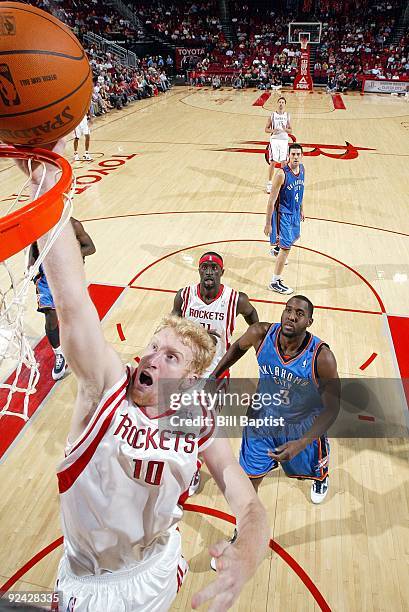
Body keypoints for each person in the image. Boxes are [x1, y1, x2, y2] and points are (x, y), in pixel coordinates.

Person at [18, 140, 269, 612]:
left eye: (170, 356)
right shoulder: (106, 387)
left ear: (190, 380)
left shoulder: (197, 419)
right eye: (153, 346)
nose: (152, 358)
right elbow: (73, 306)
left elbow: (248, 504)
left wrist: (250, 549)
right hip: (88, 582)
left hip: (156, 571)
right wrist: (44, 184)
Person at [210, 295, 340, 504]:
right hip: (262, 420)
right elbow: (237, 348)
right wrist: (214, 375)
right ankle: (245, 527)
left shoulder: (321, 357)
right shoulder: (260, 333)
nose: (291, 317)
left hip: (300, 424)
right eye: (288, 310)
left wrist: (300, 444)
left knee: (311, 469)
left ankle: (320, 477)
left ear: (309, 322)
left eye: (299, 314)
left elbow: (332, 408)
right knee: (249, 479)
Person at [172, 251, 259, 493]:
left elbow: (253, 317)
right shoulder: (184, 295)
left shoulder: (236, 299)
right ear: (199, 271)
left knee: (202, 426)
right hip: (186, 372)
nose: (209, 271)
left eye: (214, 267)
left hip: (216, 375)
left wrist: (255, 342)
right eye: (205, 267)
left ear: (222, 272)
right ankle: (190, 465)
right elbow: (172, 325)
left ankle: (193, 469)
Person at [29, 218, 96, 380]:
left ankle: (83, 347)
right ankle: (59, 354)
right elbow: (33, 248)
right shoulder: (39, 224)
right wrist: (30, 268)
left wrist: (69, 252)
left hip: (68, 274)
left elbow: (91, 248)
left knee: (74, 314)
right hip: (45, 276)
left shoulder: (73, 225)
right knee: (50, 316)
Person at [264, 143, 305, 295]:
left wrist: (301, 208)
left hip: (294, 213)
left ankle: (276, 249)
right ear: (288, 155)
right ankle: (275, 282)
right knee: (286, 248)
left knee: (293, 239)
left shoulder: (302, 170)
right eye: (292, 154)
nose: (295, 157)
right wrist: (268, 224)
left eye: (298, 154)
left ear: (302, 156)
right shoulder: (281, 174)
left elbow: (300, 190)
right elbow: (271, 201)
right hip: (283, 215)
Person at [265, 96, 292, 194]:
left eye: (283, 102)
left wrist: (285, 129)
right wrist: (273, 130)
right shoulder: (272, 115)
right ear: (277, 104)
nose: (281, 104)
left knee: (284, 162)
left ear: (285, 104)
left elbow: (290, 130)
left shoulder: (287, 115)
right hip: (275, 140)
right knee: (273, 162)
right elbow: (266, 129)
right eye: (279, 102)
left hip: (284, 140)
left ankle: (283, 184)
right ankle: (269, 183)